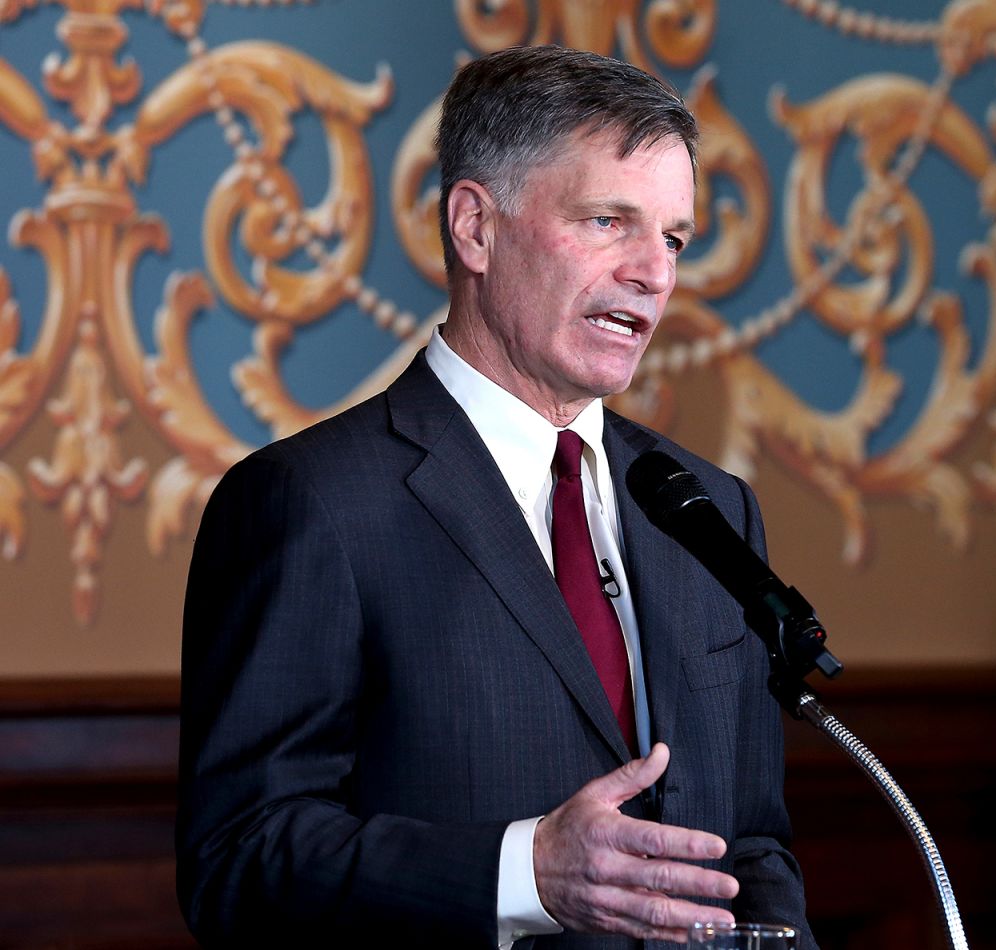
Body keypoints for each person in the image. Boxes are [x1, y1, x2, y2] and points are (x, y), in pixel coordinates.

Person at [176, 45, 815, 948]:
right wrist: (528, 873)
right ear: (474, 227)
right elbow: (240, 860)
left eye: (673, 237)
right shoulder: (311, 505)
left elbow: (755, 846)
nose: (656, 272)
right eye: (608, 222)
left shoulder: (707, 510)